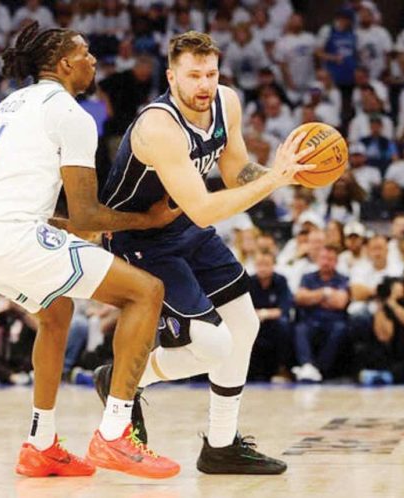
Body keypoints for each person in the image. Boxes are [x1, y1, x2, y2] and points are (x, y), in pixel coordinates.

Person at [0, 21, 181, 479]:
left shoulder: (9, 104)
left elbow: (34, 207)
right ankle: (115, 433)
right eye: (86, 52)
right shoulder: (72, 113)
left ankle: (40, 444)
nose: (93, 60)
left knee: (55, 313)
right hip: (11, 236)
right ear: (63, 63)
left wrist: (71, 231)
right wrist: (146, 220)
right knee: (145, 292)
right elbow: (87, 218)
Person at [96, 31, 315, 475]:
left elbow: (235, 172)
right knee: (214, 344)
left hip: (186, 226)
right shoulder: (159, 126)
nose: (204, 85)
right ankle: (123, 378)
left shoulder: (226, 102)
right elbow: (204, 204)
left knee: (245, 325)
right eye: (193, 75)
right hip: (140, 240)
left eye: (211, 73)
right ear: (172, 76)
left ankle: (221, 446)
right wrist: (274, 181)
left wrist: (279, 173)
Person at [292, 245, 350, 382]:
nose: (326, 262)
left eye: (330, 259)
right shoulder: (307, 277)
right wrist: (326, 293)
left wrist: (313, 298)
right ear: (318, 260)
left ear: (336, 262)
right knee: (300, 329)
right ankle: (307, 365)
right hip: (311, 319)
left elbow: (340, 302)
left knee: (340, 330)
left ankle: (318, 369)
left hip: (334, 321)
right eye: (323, 258)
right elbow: (300, 298)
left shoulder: (343, 279)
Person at [248, 251, 293, 382]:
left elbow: (284, 309)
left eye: (266, 264)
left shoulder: (281, 281)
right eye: (259, 264)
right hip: (254, 321)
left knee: (284, 325)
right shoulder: (249, 281)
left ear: (273, 265)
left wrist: (264, 313)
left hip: (273, 322)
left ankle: (282, 369)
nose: (262, 268)